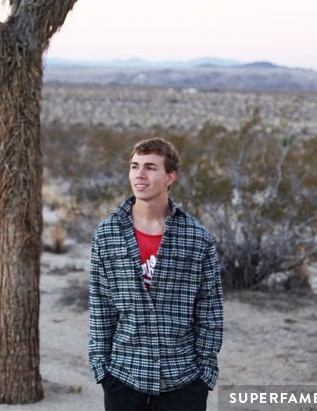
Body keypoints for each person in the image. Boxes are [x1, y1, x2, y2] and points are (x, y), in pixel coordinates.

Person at [88, 137, 223, 411]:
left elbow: (210, 310)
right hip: (123, 376)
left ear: (170, 176)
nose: (139, 174)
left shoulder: (197, 239)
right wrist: (101, 369)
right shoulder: (107, 234)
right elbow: (100, 306)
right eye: (134, 166)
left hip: (183, 380)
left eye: (150, 167)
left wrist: (205, 375)